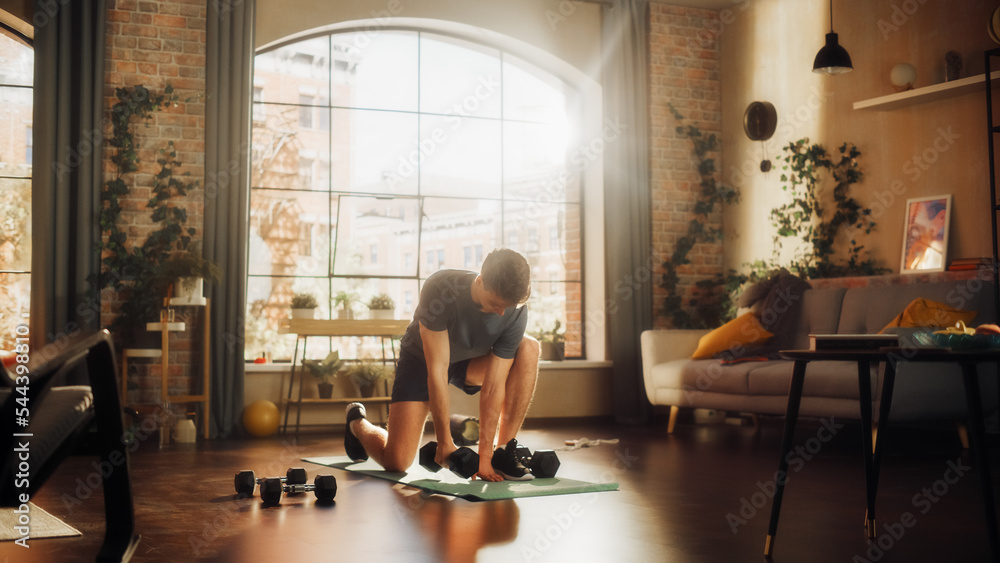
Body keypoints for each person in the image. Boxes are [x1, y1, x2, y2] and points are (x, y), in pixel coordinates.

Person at [343, 248, 541, 482]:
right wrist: (445, 441)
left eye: (507, 307)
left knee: (529, 348)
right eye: (495, 304)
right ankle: (357, 422)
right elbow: (437, 370)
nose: (501, 313)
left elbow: (494, 386)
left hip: (470, 361)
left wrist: (485, 458)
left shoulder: (514, 310)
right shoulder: (441, 289)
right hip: (422, 361)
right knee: (397, 461)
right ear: (480, 281)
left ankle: (503, 451)